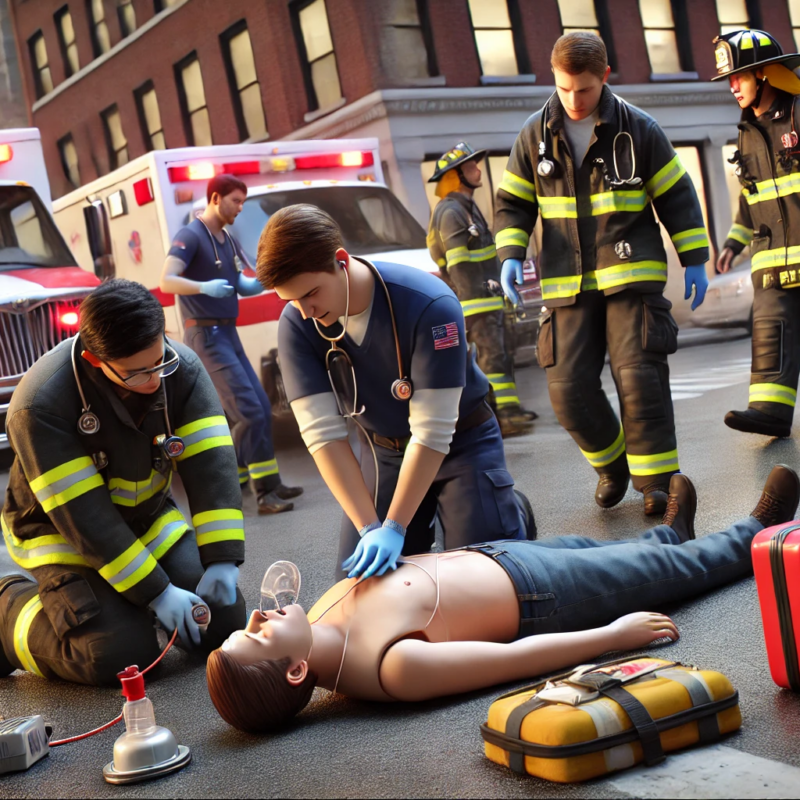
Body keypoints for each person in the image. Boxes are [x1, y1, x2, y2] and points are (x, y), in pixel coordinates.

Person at [205, 465, 799, 732]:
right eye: (258, 634)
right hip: (544, 598)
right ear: (298, 670)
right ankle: (756, 532)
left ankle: (668, 534)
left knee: (623, 554)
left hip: (503, 556)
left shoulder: (321, 613)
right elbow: (518, 660)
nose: (257, 615)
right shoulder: (393, 668)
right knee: (666, 573)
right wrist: (612, 637)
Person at [256, 204, 534, 581]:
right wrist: (371, 528)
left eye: (310, 295)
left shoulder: (429, 304)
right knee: (361, 590)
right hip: (383, 452)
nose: (305, 312)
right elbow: (323, 437)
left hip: (460, 444)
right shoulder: (298, 323)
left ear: (340, 261)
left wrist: (397, 527)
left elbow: (433, 432)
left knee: (479, 576)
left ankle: (503, 510)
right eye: (292, 301)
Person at [495, 32, 711, 517]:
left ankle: (655, 481)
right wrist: (510, 252)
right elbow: (512, 203)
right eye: (566, 88)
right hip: (566, 281)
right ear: (554, 77)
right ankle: (613, 465)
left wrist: (694, 255)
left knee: (640, 379)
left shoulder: (639, 128)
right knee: (567, 389)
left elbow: (677, 195)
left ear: (605, 77)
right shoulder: (533, 135)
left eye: (586, 90)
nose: (575, 100)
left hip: (630, 271)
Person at [0, 279, 246, 686]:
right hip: (63, 535)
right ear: (96, 360)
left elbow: (212, 467)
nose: (154, 380)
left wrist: (222, 558)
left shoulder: (180, 368)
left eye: (159, 361)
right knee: (119, 654)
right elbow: (86, 519)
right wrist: (157, 592)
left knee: (223, 622)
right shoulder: (39, 405)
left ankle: (129, 603)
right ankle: (7, 614)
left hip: (147, 520)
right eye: (137, 373)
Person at [159, 173, 302, 514]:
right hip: (206, 335)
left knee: (261, 408)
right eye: (236, 201)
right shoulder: (191, 235)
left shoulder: (227, 238)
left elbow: (241, 280)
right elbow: (167, 280)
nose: (240, 207)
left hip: (227, 332)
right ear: (214, 198)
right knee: (248, 412)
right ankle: (262, 494)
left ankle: (256, 480)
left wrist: (264, 281)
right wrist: (204, 288)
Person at [713, 29, 800, 439]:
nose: (732, 86)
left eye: (739, 77)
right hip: (770, 257)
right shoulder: (746, 131)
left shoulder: (799, 112)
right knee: (770, 331)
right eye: (729, 79)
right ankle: (769, 412)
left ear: (765, 74)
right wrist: (733, 241)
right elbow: (751, 197)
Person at [426, 142, 537, 438]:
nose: (477, 170)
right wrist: (471, 303)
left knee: (498, 356)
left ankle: (509, 411)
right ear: (455, 175)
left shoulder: (465, 207)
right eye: (470, 167)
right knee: (490, 358)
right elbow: (458, 262)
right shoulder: (451, 212)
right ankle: (502, 418)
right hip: (474, 302)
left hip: (485, 298)